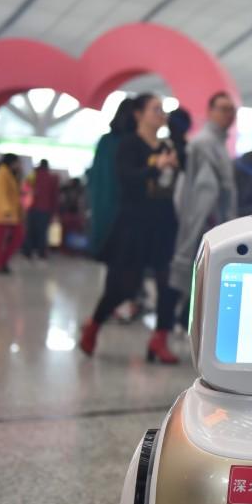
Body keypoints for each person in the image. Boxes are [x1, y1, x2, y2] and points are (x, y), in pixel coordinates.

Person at [79, 93, 182, 364]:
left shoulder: (167, 145)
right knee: (123, 286)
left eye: (163, 110)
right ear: (139, 114)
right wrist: (156, 167)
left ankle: (160, 338)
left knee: (168, 284)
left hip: (163, 222)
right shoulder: (128, 144)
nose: (161, 114)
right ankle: (94, 325)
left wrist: (172, 163)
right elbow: (127, 178)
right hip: (134, 224)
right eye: (155, 109)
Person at [169, 92, 238, 308]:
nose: (228, 115)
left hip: (210, 225)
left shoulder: (217, 142)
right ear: (210, 111)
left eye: (231, 110)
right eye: (223, 109)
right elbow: (200, 191)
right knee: (198, 288)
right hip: (205, 226)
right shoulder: (204, 143)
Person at [87, 98, 135, 259]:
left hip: (103, 206)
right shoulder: (131, 143)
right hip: (122, 211)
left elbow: (94, 178)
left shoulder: (106, 141)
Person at [0, 153, 24, 274]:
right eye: (18, 162)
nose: (19, 165)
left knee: (16, 237)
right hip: (2, 215)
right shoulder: (2, 173)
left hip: (9, 215)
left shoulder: (9, 173)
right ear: (12, 162)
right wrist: (6, 210)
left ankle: (2, 262)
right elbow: (1, 193)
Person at [22, 159, 59, 260]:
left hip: (31, 208)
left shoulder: (32, 176)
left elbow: (24, 190)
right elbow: (54, 197)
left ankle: (27, 251)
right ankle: (41, 252)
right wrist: (54, 212)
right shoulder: (52, 178)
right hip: (45, 209)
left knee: (30, 231)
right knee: (42, 232)